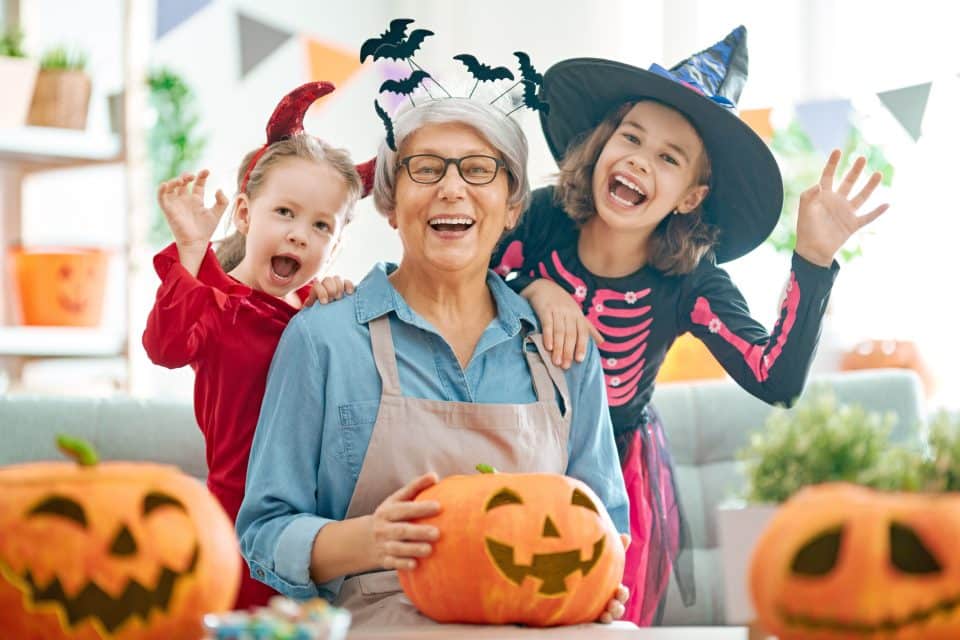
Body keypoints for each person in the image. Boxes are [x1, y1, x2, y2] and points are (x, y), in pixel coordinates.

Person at [491, 26, 888, 625]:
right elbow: (468, 280)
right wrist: (535, 288)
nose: (638, 160)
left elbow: (773, 377)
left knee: (595, 618)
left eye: (667, 158)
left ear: (688, 196)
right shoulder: (542, 221)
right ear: (601, 147)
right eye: (630, 137)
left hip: (615, 473)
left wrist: (811, 260)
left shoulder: (690, 283)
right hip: (509, 442)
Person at [236, 95, 631, 627]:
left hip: (539, 620)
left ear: (513, 207)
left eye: (478, 169)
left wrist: (598, 586)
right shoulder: (324, 338)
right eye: (425, 170)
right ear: (390, 206)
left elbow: (605, 524)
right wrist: (369, 540)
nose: (451, 188)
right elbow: (264, 530)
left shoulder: (564, 349)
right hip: (385, 621)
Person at [143, 82, 371, 609]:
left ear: (335, 246)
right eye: (285, 213)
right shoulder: (215, 301)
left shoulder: (323, 312)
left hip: (321, 531)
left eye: (320, 226)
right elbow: (164, 347)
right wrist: (192, 251)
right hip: (237, 526)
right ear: (245, 214)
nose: (298, 235)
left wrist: (338, 312)